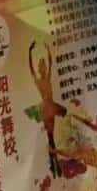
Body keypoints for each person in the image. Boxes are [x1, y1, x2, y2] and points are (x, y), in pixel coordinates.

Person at [29, 42, 68, 178]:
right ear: (40, 69)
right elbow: (31, 70)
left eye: (44, 65)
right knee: (51, 138)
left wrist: (48, 51)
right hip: (46, 109)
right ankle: (54, 164)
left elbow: (51, 63)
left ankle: (54, 164)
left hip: (51, 107)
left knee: (52, 137)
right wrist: (29, 52)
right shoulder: (39, 81)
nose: (44, 67)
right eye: (42, 66)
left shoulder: (47, 77)